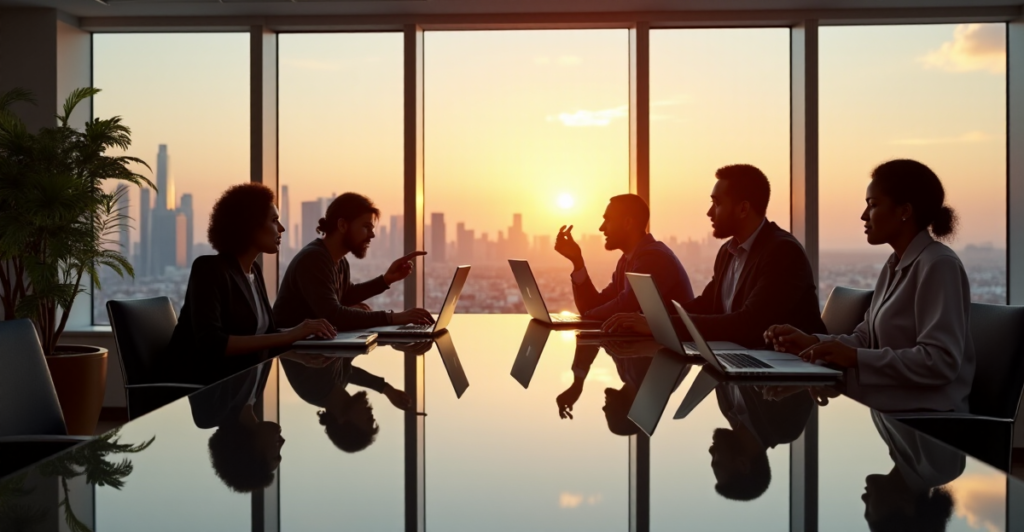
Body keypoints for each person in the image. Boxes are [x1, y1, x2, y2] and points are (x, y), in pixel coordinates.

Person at [766, 160, 974, 413]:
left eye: (873, 205)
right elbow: (865, 338)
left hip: (927, 424)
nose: (864, 216)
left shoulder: (939, 264)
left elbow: (940, 362)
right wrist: (812, 342)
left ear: (904, 211)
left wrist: (852, 357)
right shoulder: (895, 264)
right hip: (887, 412)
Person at [603, 164, 825, 348]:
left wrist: (660, 325)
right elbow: (707, 305)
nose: (709, 212)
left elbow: (750, 325)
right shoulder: (727, 252)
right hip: (744, 368)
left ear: (743, 209)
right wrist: (651, 319)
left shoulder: (782, 252)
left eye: (716, 204)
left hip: (790, 381)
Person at [166, 184, 336, 385]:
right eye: (274, 221)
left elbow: (267, 335)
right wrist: (291, 334)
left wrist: (300, 349)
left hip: (240, 386)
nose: (281, 228)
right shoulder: (209, 269)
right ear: (249, 225)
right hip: (203, 389)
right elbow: (212, 343)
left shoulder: (253, 270)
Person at [274, 192, 434, 332]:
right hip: (292, 354)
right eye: (366, 227)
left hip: (313, 350)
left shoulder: (339, 261)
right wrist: (393, 317)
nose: (372, 235)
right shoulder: (313, 259)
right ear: (342, 225)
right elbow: (334, 316)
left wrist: (386, 280)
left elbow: (345, 295)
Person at [554, 194, 693, 322]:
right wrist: (577, 262)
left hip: (671, 348)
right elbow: (596, 305)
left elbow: (626, 306)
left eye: (607, 220)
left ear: (627, 223)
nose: (601, 228)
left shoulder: (655, 258)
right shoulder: (626, 260)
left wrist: (586, 316)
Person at [281, 353, 411, 453]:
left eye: (368, 418)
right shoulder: (335, 385)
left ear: (343, 421)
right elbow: (350, 371)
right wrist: (387, 390)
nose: (370, 411)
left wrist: (386, 389)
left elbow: (342, 349)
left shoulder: (314, 388)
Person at [189, 363, 284, 493]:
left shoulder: (209, 413)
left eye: (276, 454)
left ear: (252, 452)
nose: (282, 442)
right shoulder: (256, 392)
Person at [711, 382, 813, 501]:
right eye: (716, 461)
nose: (711, 451)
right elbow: (805, 374)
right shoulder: (785, 428)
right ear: (742, 464)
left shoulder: (727, 408)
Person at [864, 410, 963, 531]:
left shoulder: (894, 447)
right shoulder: (940, 467)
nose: (863, 498)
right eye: (869, 511)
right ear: (906, 508)